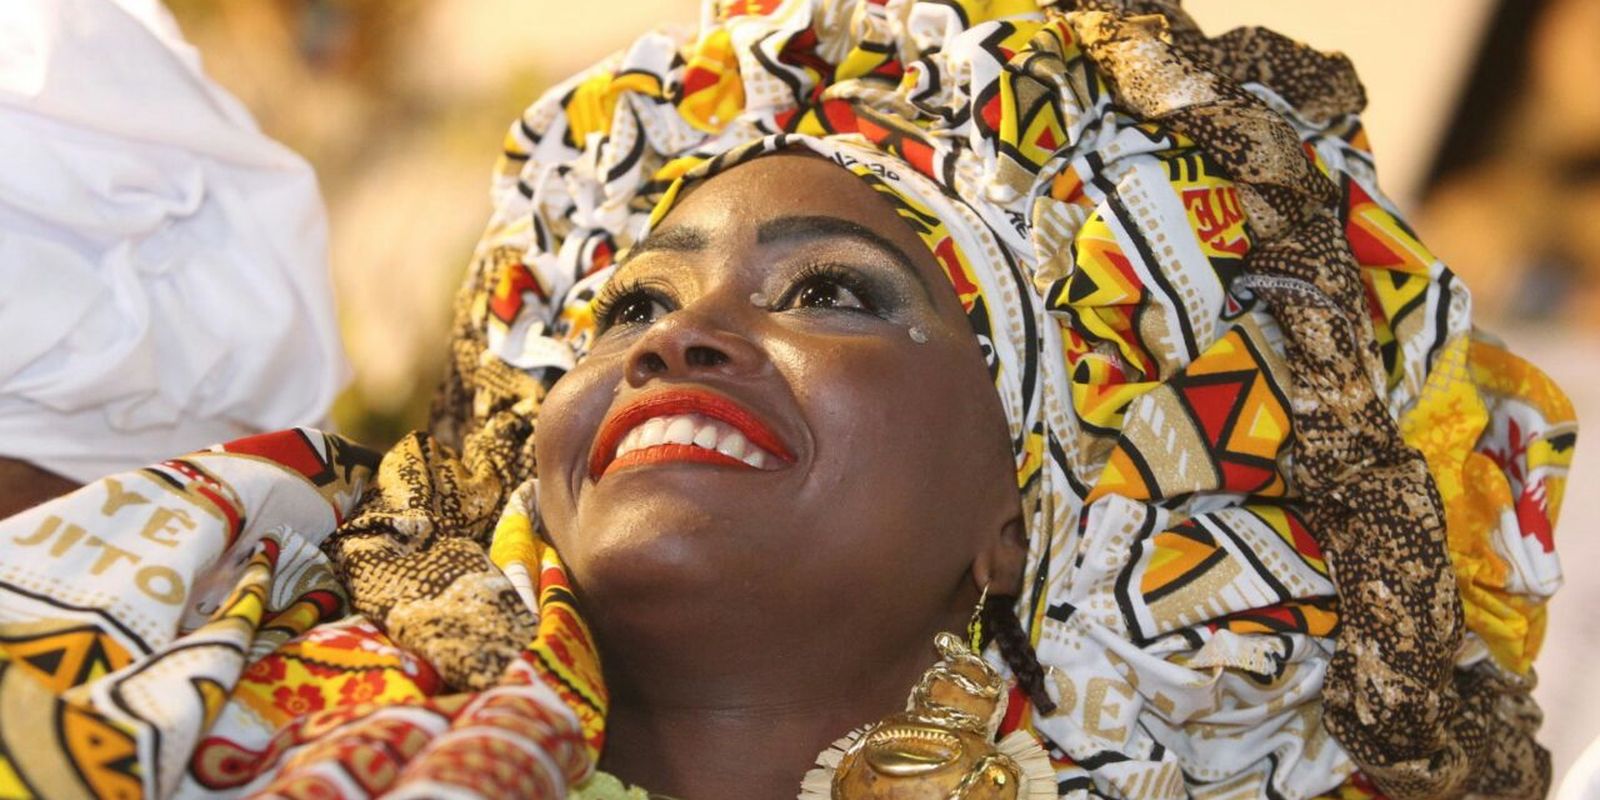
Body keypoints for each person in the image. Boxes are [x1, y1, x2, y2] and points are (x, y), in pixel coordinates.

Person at [0, 1, 1576, 798]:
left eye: (833, 293)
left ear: (1042, 517)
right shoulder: (193, 649)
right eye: (631, 303)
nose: (680, 341)